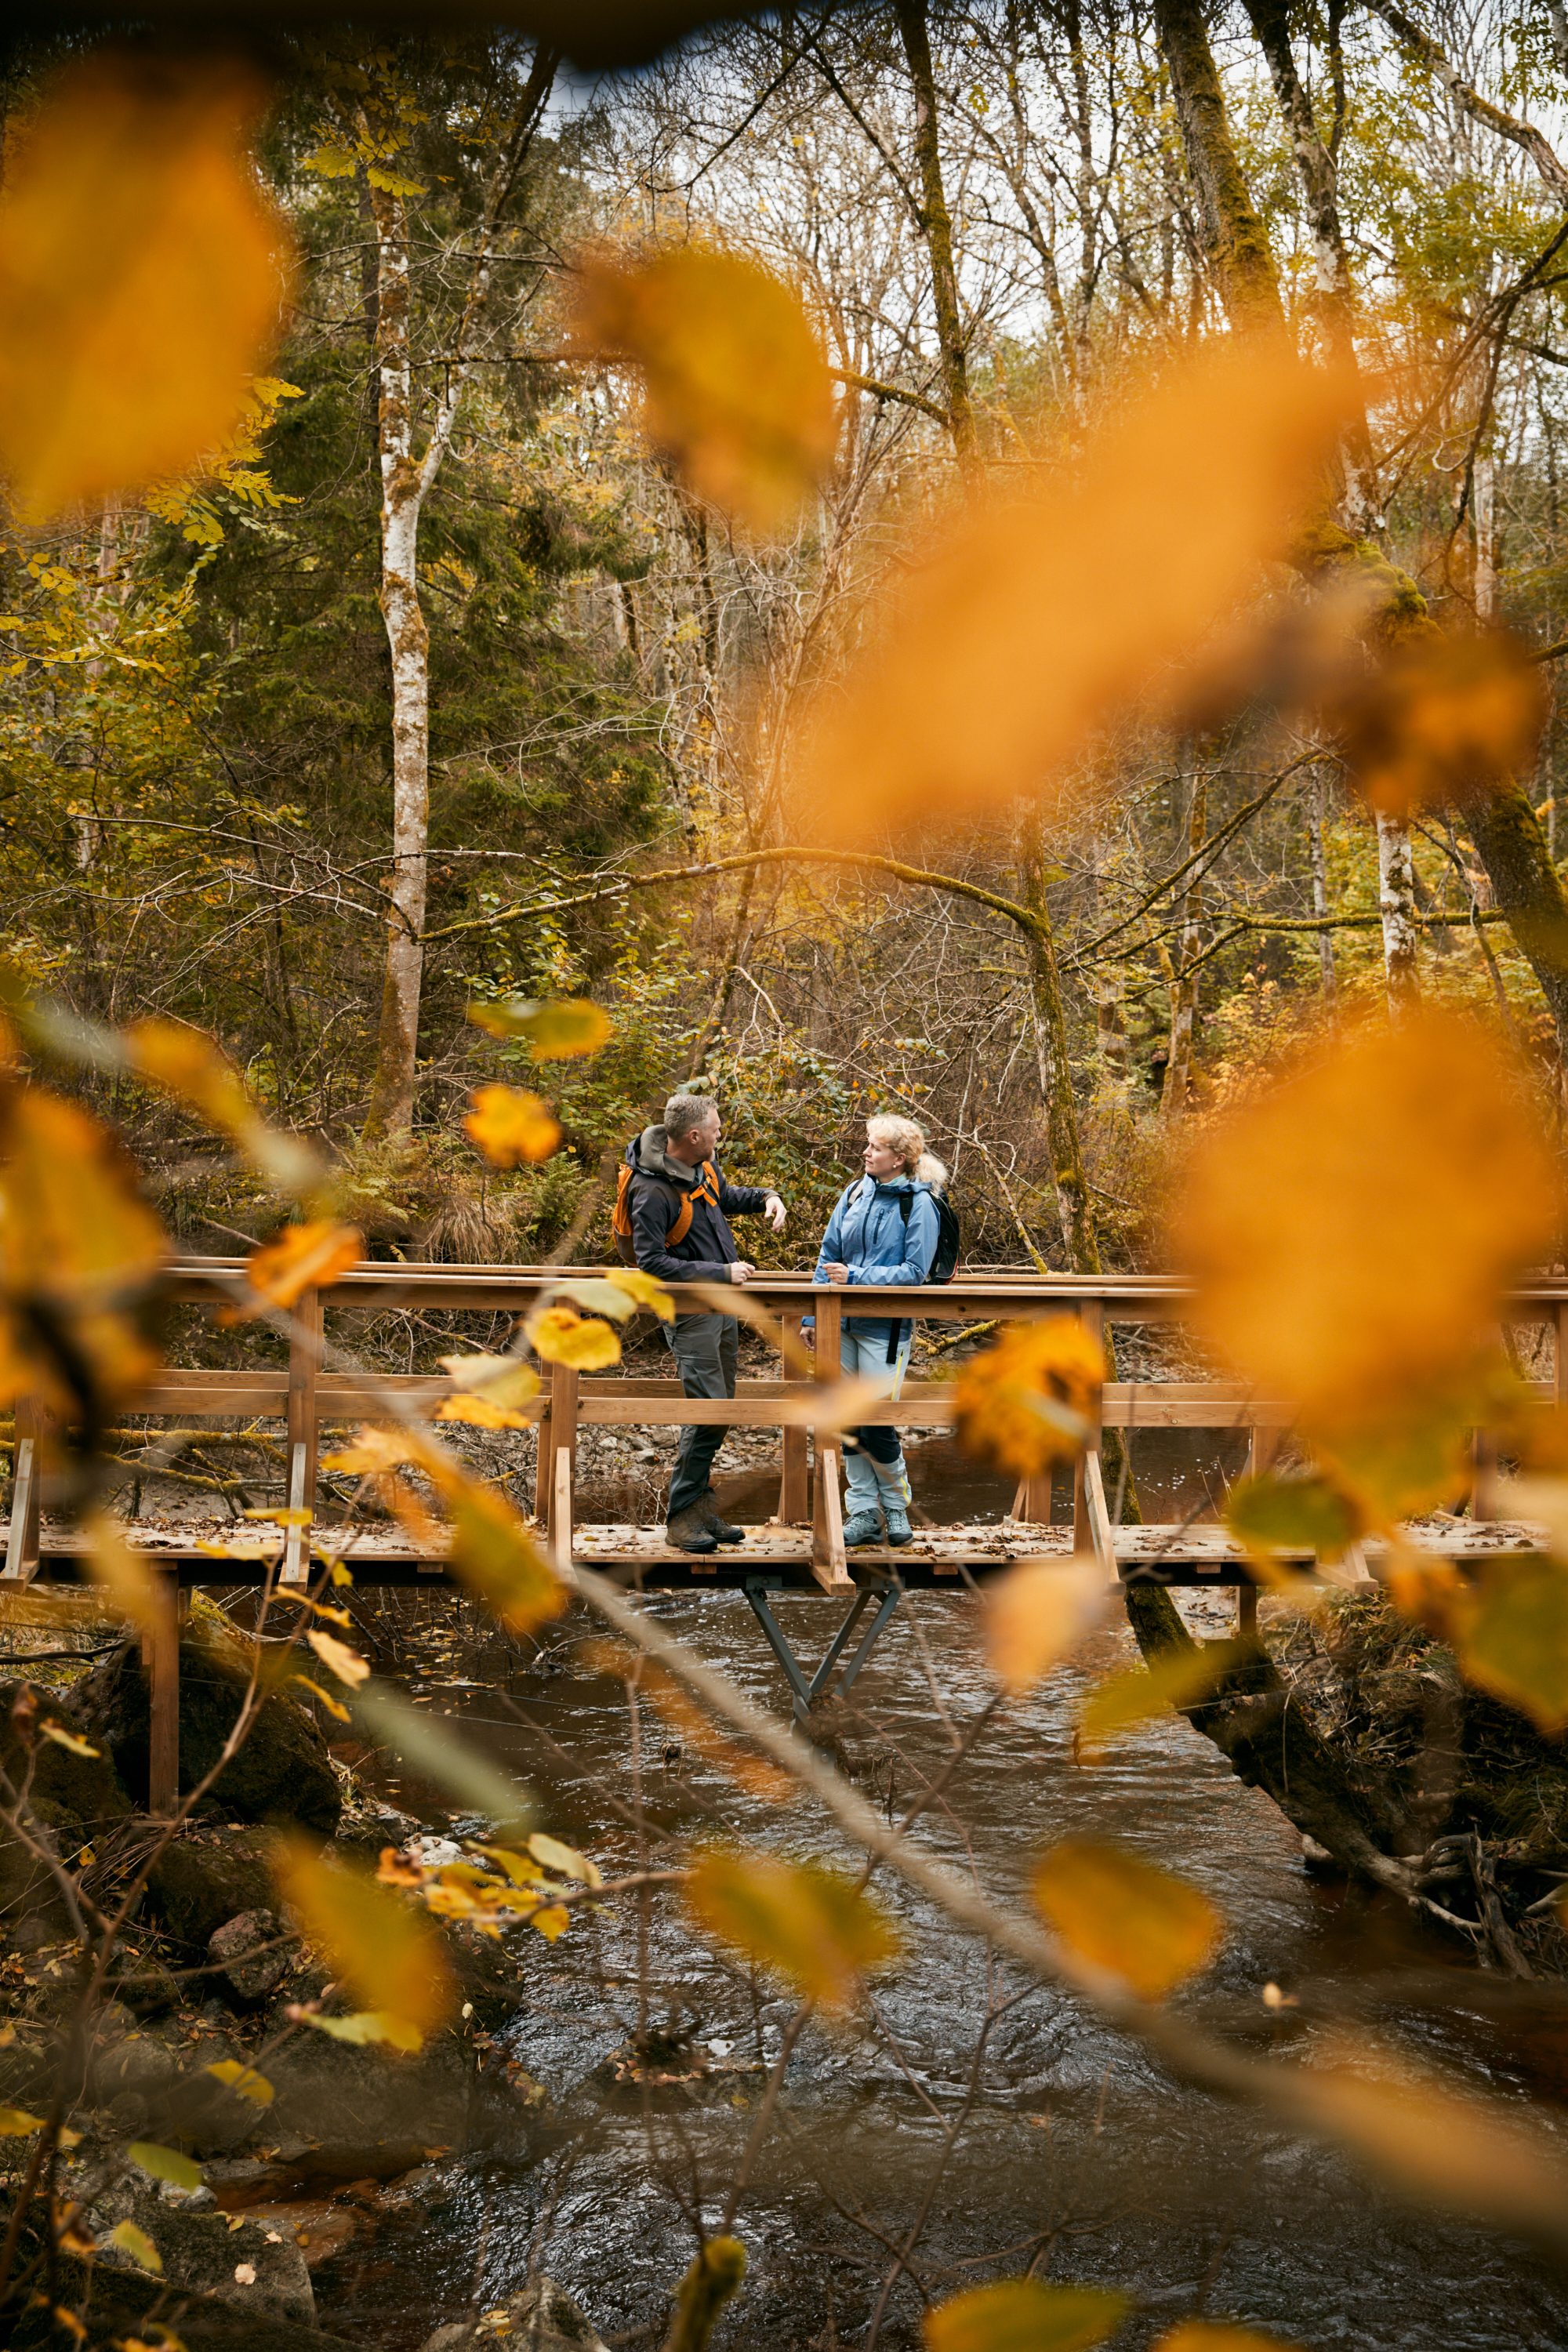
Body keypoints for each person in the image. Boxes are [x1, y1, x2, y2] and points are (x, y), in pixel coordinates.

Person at [625, 1094, 787, 1555]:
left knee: (722, 1406)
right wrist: (721, 1272)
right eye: (716, 1129)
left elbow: (725, 1200)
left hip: (721, 1309)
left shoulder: (703, 1169)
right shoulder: (650, 1190)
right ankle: (681, 1519)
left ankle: (697, 1507)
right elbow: (651, 1261)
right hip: (690, 1313)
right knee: (709, 1409)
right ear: (694, 1136)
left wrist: (767, 1199)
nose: (720, 1135)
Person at [813, 1113, 946, 1547]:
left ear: (900, 1158)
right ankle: (863, 1512)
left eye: (875, 1147)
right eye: (868, 1144)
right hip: (841, 1326)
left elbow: (915, 1272)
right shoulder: (854, 1193)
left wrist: (855, 1277)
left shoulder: (919, 1203)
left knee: (876, 1420)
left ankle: (895, 1505)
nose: (866, 1152)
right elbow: (827, 1256)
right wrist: (813, 1319)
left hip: (885, 1332)